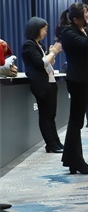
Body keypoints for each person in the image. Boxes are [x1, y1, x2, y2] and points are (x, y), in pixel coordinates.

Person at [56, 2, 88, 175]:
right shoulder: (68, 32)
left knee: (76, 122)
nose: (87, 19)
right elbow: (87, 45)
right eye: (85, 16)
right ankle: (75, 161)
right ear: (75, 19)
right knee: (76, 122)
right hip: (78, 80)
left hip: (84, 79)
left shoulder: (79, 31)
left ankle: (73, 160)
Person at [21, 17, 64, 153]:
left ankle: (56, 142)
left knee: (51, 115)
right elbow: (40, 63)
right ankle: (50, 144)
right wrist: (52, 52)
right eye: (44, 29)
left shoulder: (40, 45)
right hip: (41, 84)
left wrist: (52, 54)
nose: (46, 32)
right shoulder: (29, 45)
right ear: (36, 29)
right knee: (45, 115)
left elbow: (49, 64)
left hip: (50, 82)